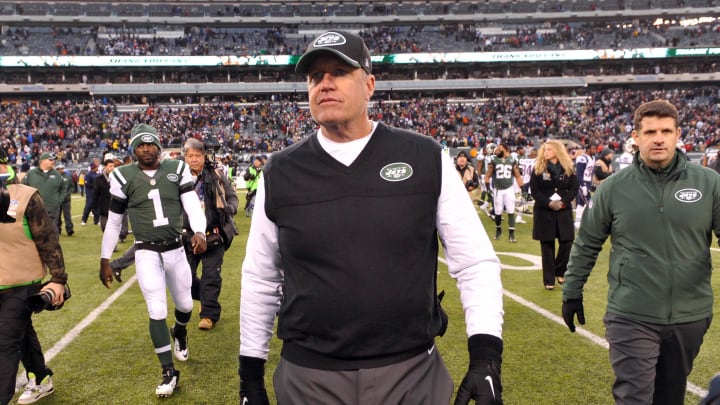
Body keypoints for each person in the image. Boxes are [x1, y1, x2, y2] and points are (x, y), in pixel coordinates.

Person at [239, 30, 504, 405]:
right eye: (315, 76)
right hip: (308, 378)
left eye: (339, 72)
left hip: (411, 373)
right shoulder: (279, 172)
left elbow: (474, 261)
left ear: (370, 84)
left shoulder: (424, 157)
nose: (325, 84)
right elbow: (261, 278)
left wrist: (486, 358)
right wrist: (250, 375)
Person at [562, 100, 720, 405]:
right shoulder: (613, 188)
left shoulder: (710, 183)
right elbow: (587, 243)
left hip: (691, 314)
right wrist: (572, 291)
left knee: (671, 396)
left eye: (665, 131)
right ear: (636, 137)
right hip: (631, 313)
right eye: (650, 132)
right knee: (634, 397)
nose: (658, 138)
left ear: (678, 134)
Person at [98, 123, 207, 398]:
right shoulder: (122, 175)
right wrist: (105, 259)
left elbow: (192, 203)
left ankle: (179, 332)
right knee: (156, 309)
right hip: (146, 251)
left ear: (159, 147)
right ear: (133, 149)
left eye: (151, 144)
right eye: (140, 145)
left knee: (185, 305)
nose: (146, 149)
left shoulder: (177, 168)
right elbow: (113, 222)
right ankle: (168, 371)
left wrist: (200, 231)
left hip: (175, 249)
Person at [0, 147, 68, 405]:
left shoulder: (26, 196)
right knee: (20, 334)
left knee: (4, 342)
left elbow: (48, 240)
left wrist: (58, 279)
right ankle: (40, 378)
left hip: (22, 283)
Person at [181, 139, 239, 331]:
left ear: (204, 157)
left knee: (211, 275)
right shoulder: (177, 178)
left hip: (214, 234)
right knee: (184, 278)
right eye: (190, 156)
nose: (194, 159)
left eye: (198, 155)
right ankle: (204, 299)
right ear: (185, 157)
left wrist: (230, 208)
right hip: (188, 235)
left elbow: (232, 196)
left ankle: (208, 314)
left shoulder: (217, 175)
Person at [529, 140, 578, 290]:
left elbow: (574, 188)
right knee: (547, 245)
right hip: (544, 211)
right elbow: (534, 190)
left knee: (567, 242)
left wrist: (563, 202)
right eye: (544, 150)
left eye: (549, 149)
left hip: (563, 210)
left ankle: (560, 270)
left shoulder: (568, 168)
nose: (546, 152)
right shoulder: (538, 169)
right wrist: (548, 203)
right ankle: (548, 280)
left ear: (557, 151)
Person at [484, 143, 524, 242]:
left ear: (505, 149)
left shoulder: (512, 160)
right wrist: (488, 188)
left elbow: (518, 176)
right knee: (498, 212)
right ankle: (498, 230)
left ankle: (511, 235)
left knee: (511, 211)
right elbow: (487, 176)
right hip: (498, 189)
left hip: (509, 189)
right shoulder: (494, 160)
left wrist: (524, 189)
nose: (496, 151)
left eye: (499, 149)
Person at [21, 152, 64, 236]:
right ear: (42, 161)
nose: (53, 162)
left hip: (52, 208)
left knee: (53, 231)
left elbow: (63, 189)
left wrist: (58, 201)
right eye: (50, 160)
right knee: (36, 232)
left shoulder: (57, 175)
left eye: (53, 160)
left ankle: (54, 249)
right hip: (35, 209)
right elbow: (23, 188)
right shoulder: (31, 173)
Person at [573, 143, 596, 229]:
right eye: (593, 148)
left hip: (588, 182)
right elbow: (579, 173)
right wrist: (582, 185)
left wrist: (591, 182)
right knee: (589, 203)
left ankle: (578, 222)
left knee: (581, 203)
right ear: (588, 149)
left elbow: (591, 172)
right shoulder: (582, 158)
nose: (595, 150)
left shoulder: (593, 158)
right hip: (583, 183)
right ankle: (589, 222)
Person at [92, 159, 115, 231]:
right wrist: (94, 206)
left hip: (115, 206)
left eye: (113, 166)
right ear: (105, 167)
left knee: (114, 227)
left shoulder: (117, 178)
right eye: (110, 166)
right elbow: (96, 194)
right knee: (104, 226)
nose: (112, 168)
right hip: (104, 206)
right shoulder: (99, 179)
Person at [55, 164, 74, 236]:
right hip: (58, 200)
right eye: (59, 169)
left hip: (66, 200)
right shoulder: (54, 177)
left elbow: (72, 187)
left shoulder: (68, 177)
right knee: (57, 216)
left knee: (67, 215)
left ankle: (70, 229)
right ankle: (58, 229)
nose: (61, 170)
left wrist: (68, 193)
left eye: (62, 168)